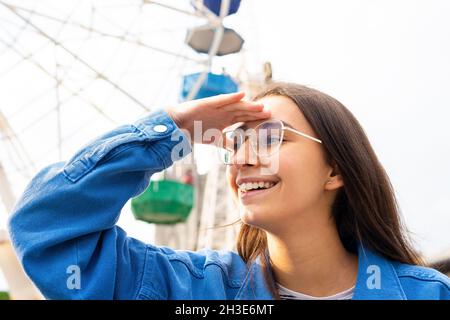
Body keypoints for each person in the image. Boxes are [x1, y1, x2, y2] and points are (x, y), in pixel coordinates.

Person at [8, 82, 450, 299]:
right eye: (235, 142)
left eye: (270, 137)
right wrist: (174, 129)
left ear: (335, 169)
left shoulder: (428, 295)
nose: (241, 158)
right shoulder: (191, 293)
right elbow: (46, 227)